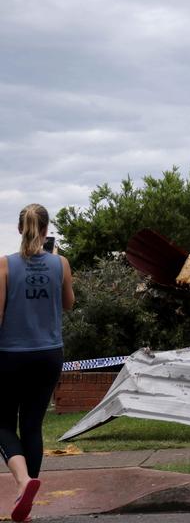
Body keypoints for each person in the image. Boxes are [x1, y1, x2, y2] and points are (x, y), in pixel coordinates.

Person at [0, 204, 74, 522]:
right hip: (49, 355)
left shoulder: (4, 266)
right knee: (32, 426)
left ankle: (23, 482)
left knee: (2, 423)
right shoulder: (61, 264)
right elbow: (69, 304)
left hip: (11, 356)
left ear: (20, 229)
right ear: (45, 231)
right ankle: (25, 502)